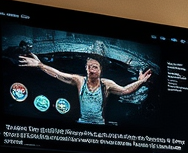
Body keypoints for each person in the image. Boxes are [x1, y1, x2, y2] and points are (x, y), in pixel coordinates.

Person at [18, 52, 151, 125]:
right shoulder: (79, 80)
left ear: (100, 70)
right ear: (86, 69)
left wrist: (140, 82)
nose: (91, 69)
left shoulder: (106, 84)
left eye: (94, 67)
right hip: (82, 123)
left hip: (99, 125)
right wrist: (40, 65)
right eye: (89, 66)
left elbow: (125, 90)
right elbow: (58, 74)